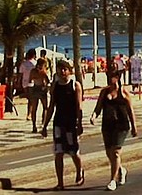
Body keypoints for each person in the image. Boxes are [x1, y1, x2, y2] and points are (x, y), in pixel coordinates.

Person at [41, 59, 85, 190]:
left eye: (65, 69)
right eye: (60, 69)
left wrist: (79, 123)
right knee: (58, 153)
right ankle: (60, 183)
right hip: (58, 123)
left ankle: (79, 170)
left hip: (71, 123)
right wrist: (45, 126)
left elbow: (79, 106)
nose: (62, 72)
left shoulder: (75, 85)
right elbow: (51, 107)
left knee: (73, 152)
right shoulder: (55, 86)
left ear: (69, 71)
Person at [91, 71, 138, 191]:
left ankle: (113, 180)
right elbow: (98, 107)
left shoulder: (123, 92)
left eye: (113, 77)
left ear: (117, 78)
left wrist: (134, 126)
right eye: (109, 77)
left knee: (116, 152)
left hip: (121, 126)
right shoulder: (104, 92)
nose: (110, 79)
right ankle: (121, 169)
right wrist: (93, 116)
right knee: (109, 153)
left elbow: (130, 110)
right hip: (107, 125)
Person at [29, 58, 50, 133]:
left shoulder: (33, 71)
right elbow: (47, 81)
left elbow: (30, 80)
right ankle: (43, 124)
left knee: (34, 108)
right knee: (45, 107)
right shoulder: (43, 71)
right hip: (41, 89)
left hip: (35, 88)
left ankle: (34, 125)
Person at [18, 48, 37, 119]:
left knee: (30, 99)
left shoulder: (24, 64)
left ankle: (29, 114)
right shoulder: (35, 63)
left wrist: (18, 82)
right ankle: (30, 114)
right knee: (31, 99)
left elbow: (20, 74)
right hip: (32, 83)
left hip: (25, 83)